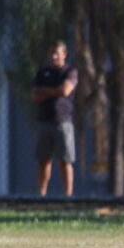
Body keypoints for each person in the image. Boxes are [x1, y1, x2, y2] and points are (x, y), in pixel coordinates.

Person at [31, 40, 78, 197]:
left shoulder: (69, 72)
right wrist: (54, 91)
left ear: (64, 54)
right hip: (44, 120)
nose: (54, 56)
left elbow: (65, 91)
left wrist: (46, 90)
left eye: (57, 53)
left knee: (65, 160)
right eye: (51, 53)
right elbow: (35, 95)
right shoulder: (42, 73)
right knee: (43, 160)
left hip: (63, 122)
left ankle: (68, 196)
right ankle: (41, 195)